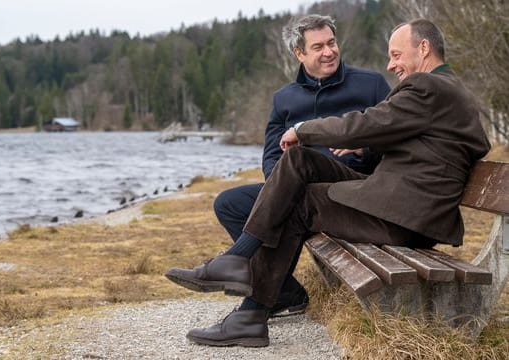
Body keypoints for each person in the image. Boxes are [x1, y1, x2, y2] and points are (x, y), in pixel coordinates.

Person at [166, 18, 491, 347]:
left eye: (396, 54)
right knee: (300, 160)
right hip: (403, 204)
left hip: (406, 216)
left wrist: (304, 128)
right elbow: (427, 142)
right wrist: (367, 144)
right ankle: (236, 261)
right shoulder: (446, 89)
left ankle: (250, 313)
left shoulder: (429, 87)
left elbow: (366, 122)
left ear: (424, 48)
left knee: (301, 203)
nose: (390, 64)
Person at [211, 14, 390, 318]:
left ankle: (252, 298)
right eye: (318, 46)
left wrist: (364, 148)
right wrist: (278, 188)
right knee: (229, 204)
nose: (329, 51)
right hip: (297, 189)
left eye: (331, 42)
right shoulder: (284, 99)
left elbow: (395, 139)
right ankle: (285, 292)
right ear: (299, 54)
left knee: (290, 196)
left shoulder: (371, 85)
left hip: (352, 192)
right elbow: (271, 155)